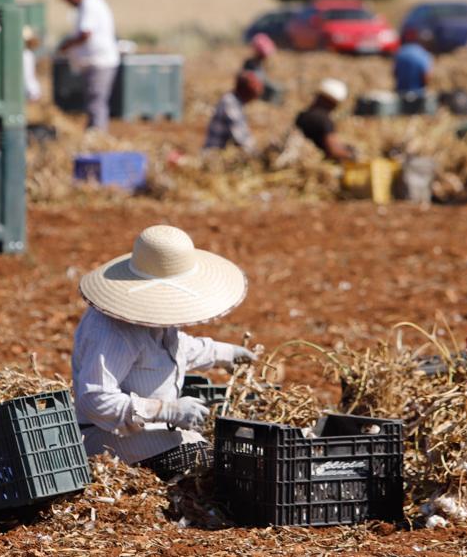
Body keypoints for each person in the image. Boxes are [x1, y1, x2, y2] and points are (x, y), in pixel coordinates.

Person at [72, 224, 258, 480]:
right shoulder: (114, 332)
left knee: (223, 459)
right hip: (109, 439)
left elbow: (177, 347)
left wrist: (223, 353)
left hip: (154, 430)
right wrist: (165, 410)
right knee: (212, 466)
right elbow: (95, 400)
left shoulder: (156, 321)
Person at [56, 0, 120, 130]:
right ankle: (94, 131)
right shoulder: (87, 4)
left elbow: (85, 33)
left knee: (96, 100)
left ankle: (97, 134)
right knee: (93, 100)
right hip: (94, 61)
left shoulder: (89, 3)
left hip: (100, 60)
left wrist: (66, 46)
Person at [295, 78, 354, 161]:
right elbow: (333, 151)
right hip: (315, 165)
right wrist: (350, 155)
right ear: (334, 103)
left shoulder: (302, 115)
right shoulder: (323, 120)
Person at [204, 71, 262, 153]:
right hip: (213, 155)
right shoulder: (230, 104)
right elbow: (241, 138)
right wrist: (256, 153)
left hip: (219, 154)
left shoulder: (234, 101)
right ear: (245, 92)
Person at [242, 33, 282, 103]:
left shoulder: (258, 63)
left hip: (261, 86)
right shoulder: (250, 63)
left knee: (278, 88)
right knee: (275, 90)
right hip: (255, 88)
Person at [21, 26, 42, 102]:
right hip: (31, 91)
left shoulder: (26, 55)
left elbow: (27, 77)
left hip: (29, 93)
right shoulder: (28, 54)